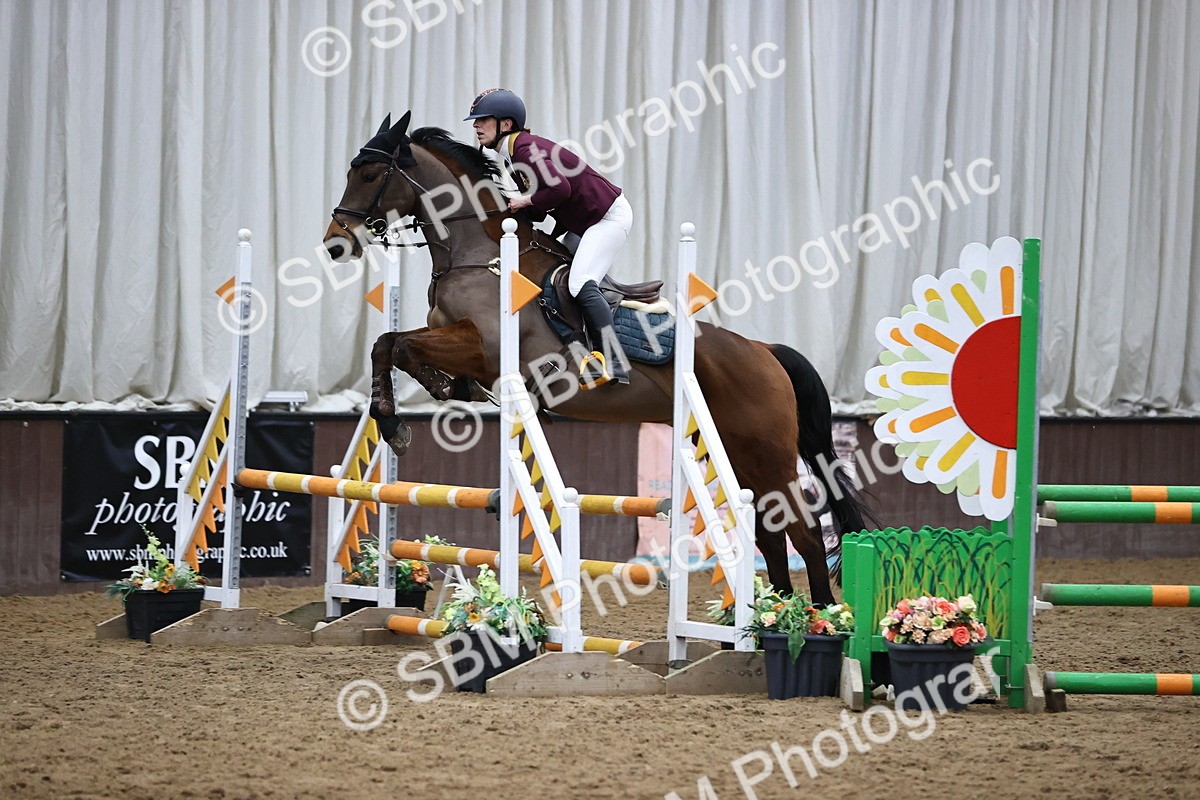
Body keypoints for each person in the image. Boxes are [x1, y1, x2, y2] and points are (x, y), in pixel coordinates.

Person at [466, 88, 633, 388]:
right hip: (586, 222)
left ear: (505, 124)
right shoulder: (515, 155)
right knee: (550, 273)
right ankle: (574, 344)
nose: (476, 126)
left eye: (483, 120)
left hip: (607, 219)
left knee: (580, 283)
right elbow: (544, 208)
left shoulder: (526, 151)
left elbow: (559, 191)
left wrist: (522, 202)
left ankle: (613, 359)